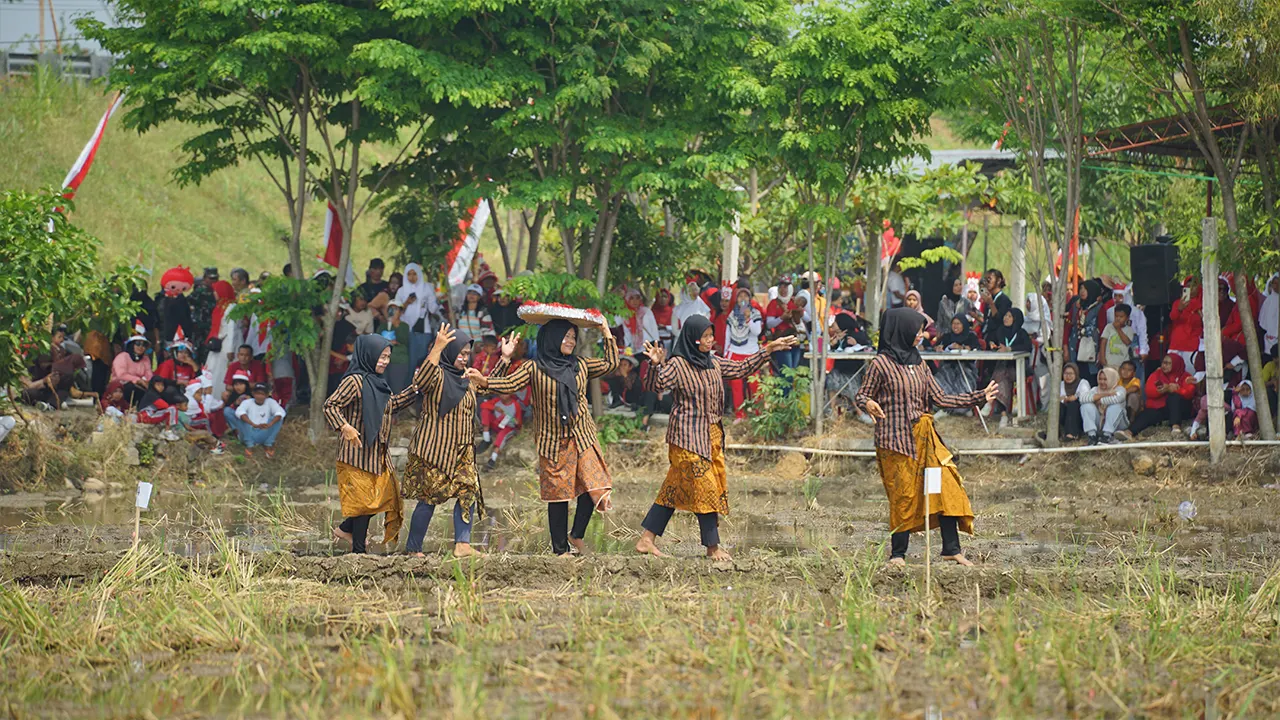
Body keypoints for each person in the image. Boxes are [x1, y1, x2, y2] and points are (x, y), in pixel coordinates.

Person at [633, 316, 798, 560]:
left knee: (672, 490)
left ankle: (646, 539)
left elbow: (741, 368)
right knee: (706, 488)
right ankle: (712, 547)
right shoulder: (678, 364)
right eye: (706, 336)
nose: (711, 340)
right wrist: (656, 364)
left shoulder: (713, 363)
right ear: (693, 338)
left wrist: (768, 349)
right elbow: (656, 385)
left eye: (712, 335)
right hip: (686, 438)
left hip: (710, 438)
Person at [854, 308, 997, 568]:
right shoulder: (880, 364)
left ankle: (951, 549)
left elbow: (940, 398)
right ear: (902, 330)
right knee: (904, 496)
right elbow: (861, 395)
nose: (921, 335)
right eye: (917, 330)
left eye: (921, 330)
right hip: (895, 441)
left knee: (945, 487)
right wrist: (869, 404)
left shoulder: (919, 363)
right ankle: (898, 555)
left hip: (925, 437)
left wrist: (978, 397)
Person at [467, 316, 618, 556]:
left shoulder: (579, 364)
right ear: (552, 338)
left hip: (582, 435)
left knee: (596, 484)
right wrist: (499, 365)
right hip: (553, 440)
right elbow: (505, 385)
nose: (570, 341)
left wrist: (605, 331)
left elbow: (611, 363)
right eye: (565, 336)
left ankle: (576, 534)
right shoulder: (533, 367)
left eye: (573, 337)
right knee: (559, 496)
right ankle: (560, 550)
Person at [403, 325, 502, 558]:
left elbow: (489, 384)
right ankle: (413, 548)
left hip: (462, 450)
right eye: (459, 353)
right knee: (429, 498)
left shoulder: (468, 378)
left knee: (469, 492)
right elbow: (421, 381)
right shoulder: (436, 375)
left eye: (467, 354)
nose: (463, 358)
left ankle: (462, 545)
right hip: (434, 449)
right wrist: (437, 347)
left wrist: (504, 358)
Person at [324, 335, 419, 554]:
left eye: (387, 357)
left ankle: (345, 529)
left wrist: (414, 389)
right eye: (381, 357)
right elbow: (331, 406)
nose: (385, 361)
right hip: (356, 453)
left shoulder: (378, 382)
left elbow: (391, 404)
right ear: (369, 355)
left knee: (385, 495)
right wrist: (345, 427)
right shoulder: (354, 381)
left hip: (377, 452)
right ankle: (358, 552)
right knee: (364, 501)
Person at [1129, 354, 1197, 437]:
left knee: (1174, 396)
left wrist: (1176, 390)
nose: (1164, 365)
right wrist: (1162, 391)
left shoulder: (1186, 376)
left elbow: (1190, 393)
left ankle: (1175, 426)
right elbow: (1149, 391)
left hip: (1181, 410)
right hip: (1161, 409)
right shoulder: (1157, 374)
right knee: (1148, 413)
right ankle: (1129, 432)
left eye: (1168, 363)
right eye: (1163, 362)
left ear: (1176, 364)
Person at [723, 286, 765, 420]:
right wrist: (726, 355)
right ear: (736, 299)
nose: (743, 299)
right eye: (740, 296)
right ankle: (740, 415)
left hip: (752, 353)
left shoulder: (755, 313)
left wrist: (748, 319)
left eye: (745, 296)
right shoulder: (732, 315)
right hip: (735, 353)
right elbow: (727, 336)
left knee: (755, 386)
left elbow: (757, 332)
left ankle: (759, 414)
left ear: (750, 298)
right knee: (736, 386)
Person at [989, 308, 1032, 428]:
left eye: (1009, 316)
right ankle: (1003, 415)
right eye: (1005, 315)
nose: (1005, 318)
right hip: (1004, 369)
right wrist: (992, 344)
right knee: (1003, 377)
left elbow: (1027, 347)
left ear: (1016, 319)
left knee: (1002, 372)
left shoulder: (1021, 333)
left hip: (1018, 369)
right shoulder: (1001, 331)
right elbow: (993, 341)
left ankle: (990, 400)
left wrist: (1010, 349)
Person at [395, 263, 442, 370]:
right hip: (404, 329)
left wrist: (436, 300)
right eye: (409, 274)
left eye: (414, 274)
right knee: (408, 362)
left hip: (422, 330)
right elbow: (396, 311)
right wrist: (406, 302)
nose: (412, 277)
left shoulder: (426, 288)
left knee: (421, 361)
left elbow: (433, 309)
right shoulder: (401, 291)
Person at [930, 316, 981, 404]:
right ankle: (946, 405)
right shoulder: (947, 336)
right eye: (953, 324)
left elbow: (976, 348)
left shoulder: (971, 336)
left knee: (963, 377)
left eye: (958, 324)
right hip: (948, 366)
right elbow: (935, 346)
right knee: (940, 379)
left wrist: (963, 347)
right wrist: (938, 348)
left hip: (966, 367)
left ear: (964, 325)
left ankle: (963, 406)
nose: (955, 326)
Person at [205, 280, 237, 399]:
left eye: (216, 291)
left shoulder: (231, 307)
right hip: (219, 344)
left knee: (222, 372)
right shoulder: (220, 307)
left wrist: (230, 349)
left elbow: (231, 329)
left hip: (227, 347)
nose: (214, 293)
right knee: (214, 371)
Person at [236, 383, 286, 457]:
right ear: (253, 393)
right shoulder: (247, 402)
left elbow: (280, 412)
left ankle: (268, 444)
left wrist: (270, 424)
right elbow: (239, 412)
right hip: (249, 432)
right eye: (257, 393)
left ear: (266, 395)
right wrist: (253, 424)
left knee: (279, 418)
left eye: (262, 394)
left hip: (263, 431)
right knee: (242, 417)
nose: (259, 396)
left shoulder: (270, 402)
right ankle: (249, 445)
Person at [111, 335, 153, 408]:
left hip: (141, 385)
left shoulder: (146, 359)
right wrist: (138, 380)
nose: (141, 347)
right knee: (130, 387)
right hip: (121, 385)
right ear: (131, 345)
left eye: (144, 345)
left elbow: (149, 375)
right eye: (138, 344)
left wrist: (146, 381)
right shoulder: (122, 356)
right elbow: (121, 375)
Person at [1168, 282, 1202, 369]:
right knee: (1171, 372)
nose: (1191, 288)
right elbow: (1172, 317)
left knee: (1190, 374)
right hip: (1176, 343)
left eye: (1193, 286)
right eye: (1188, 286)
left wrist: (1200, 312)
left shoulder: (1203, 304)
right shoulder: (1178, 303)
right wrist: (1179, 309)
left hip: (1192, 345)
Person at [381, 301, 412, 393]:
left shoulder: (404, 326)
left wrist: (395, 325)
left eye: (395, 309)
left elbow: (404, 340)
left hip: (399, 360)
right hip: (384, 361)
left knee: (396, 388)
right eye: (391, 309)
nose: (393, 311)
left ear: (400, 312)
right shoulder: (383, 326)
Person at [621, 289, 660, 354]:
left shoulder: (646, 311)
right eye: (632, 298)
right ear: (627, 299)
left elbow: (654, 329)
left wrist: (657, 343)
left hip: (647, 346)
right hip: (630, 348)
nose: (635, 301)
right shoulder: (624, 313)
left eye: (637, 298)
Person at [1058, 363, 1088, 441]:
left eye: (1071, 373)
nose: (1068, 376)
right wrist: (1067, 399)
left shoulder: (1083, 383)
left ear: (1076, 373)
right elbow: (1058, 399)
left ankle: (1073, 434)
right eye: (1066, 374)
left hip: (1079, 416)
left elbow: (1085, 398)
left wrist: (1073, 398)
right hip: (1065, 416)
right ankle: (1056, 433)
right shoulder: (1061, 384)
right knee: (1058, 407)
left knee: (1073, 405)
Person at [1100, 302, 1134, 369]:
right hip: (1109, 363)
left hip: (1122, 364)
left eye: (1121, 317)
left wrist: (1118, 329)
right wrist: (1102, 357)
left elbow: (1127, 342)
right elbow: (1103, 342)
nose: (1118, 318)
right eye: (1116, 316)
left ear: (1127, 318)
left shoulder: (1129, 329)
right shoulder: (1109, 327)